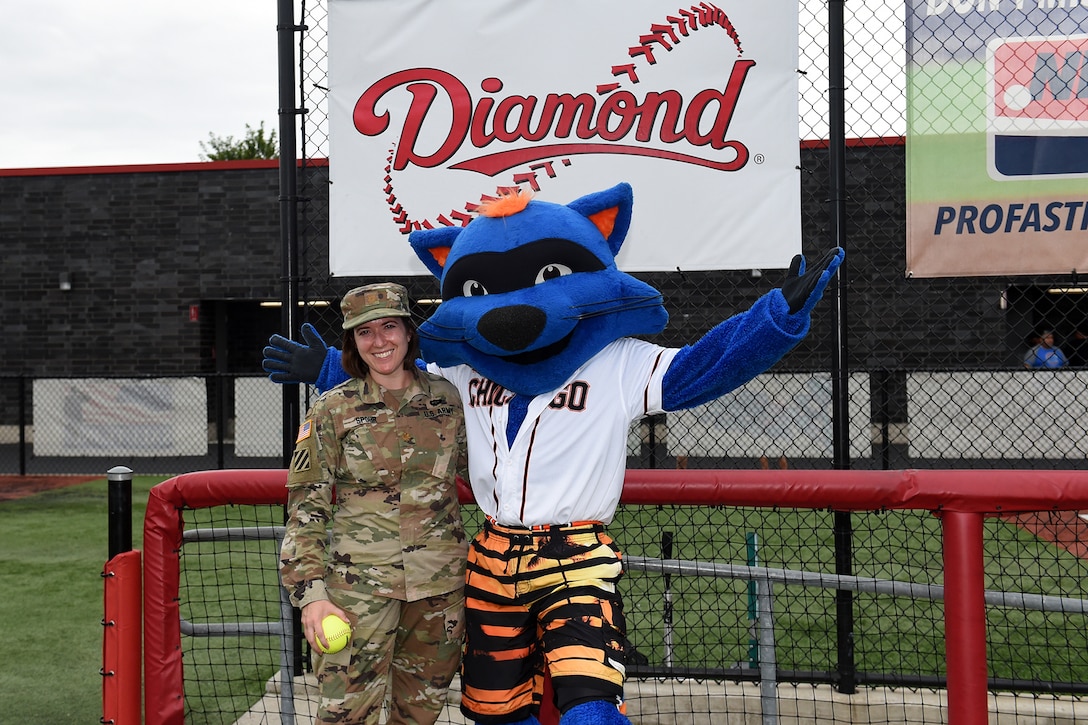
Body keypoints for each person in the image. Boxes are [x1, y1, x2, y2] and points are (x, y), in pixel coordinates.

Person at [266, 183, 843, 725]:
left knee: (588, 698)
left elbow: (701, 368)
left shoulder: (617, 361)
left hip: (575, 554)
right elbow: (395, 388)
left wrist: (774, 319)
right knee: (493, 707)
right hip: (491, 555)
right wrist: (328, 372)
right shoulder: (462, 372)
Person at [278, 282, 469, 725]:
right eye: (365, 332)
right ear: (352, 342)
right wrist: (311, 597)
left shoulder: (449, 401)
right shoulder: (331, 410)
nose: (379, 341)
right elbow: (306, 511)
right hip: (357, 593)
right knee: (344, 716)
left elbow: (490, 472)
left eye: (389, 327)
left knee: (419, 716)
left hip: (439, 591)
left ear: (407, 332)